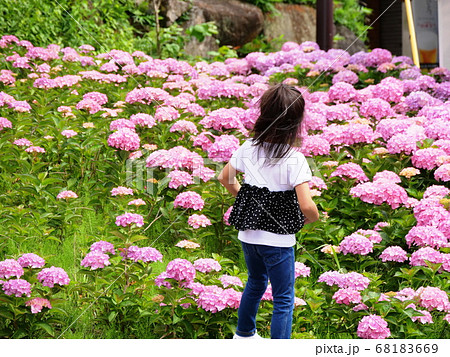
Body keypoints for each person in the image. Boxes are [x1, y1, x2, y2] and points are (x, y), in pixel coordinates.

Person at [218, 83, 320, 339]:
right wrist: (313, 219)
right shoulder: (294, 159)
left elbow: (224, 177)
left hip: (249, 237)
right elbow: (306, 204)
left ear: (263, 114)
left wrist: (247, 200)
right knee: (283, 298)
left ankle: (243, 336)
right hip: (278, 241)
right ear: (296, 123)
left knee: (254, 282)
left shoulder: (248, 148)